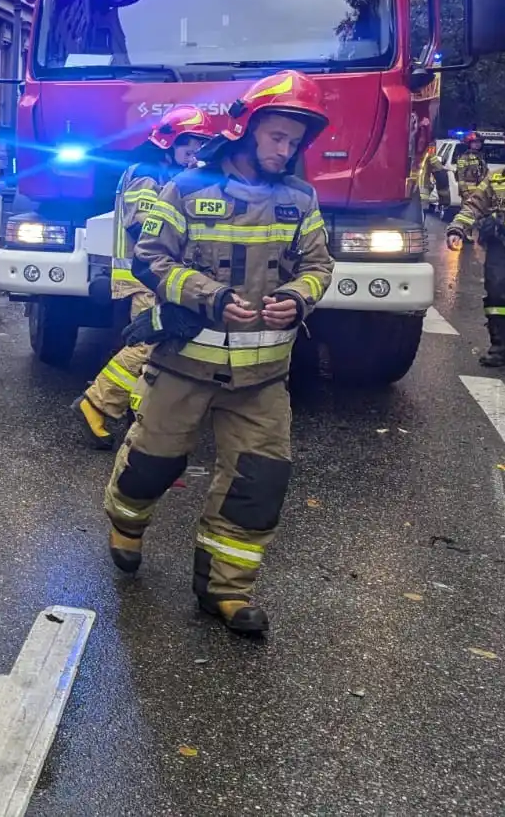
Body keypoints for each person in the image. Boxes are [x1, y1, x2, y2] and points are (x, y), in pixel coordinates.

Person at [103, 71, 334, 637]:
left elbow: (319, 267)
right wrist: (210, 298)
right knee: (153, 463)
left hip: (262, 377)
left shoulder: (301, 200)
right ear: (246, 130)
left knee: (259, 481)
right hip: (184, 364)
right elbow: (150, 260)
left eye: (295, 141)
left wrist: (297, 300)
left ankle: (227, 590)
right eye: (278, 136)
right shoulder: (184, 189)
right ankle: (125, 522)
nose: (288, 149)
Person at [75, 106, 218, 449]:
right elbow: (144, 226)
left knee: (159, 347)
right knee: (147, 343)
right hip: (143, 276)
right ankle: (96, 402)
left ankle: (141, 415)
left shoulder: (163, 173)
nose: (194, 153)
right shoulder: (147, 174)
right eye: (189, 145)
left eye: (200, 145)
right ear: (169, 142)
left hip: (154, 276)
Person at [447, 168, 505, 365]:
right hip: (501, 244)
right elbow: (474, 205)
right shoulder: (497, 177)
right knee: (497, 294)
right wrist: (457, 228)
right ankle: (500, 347)